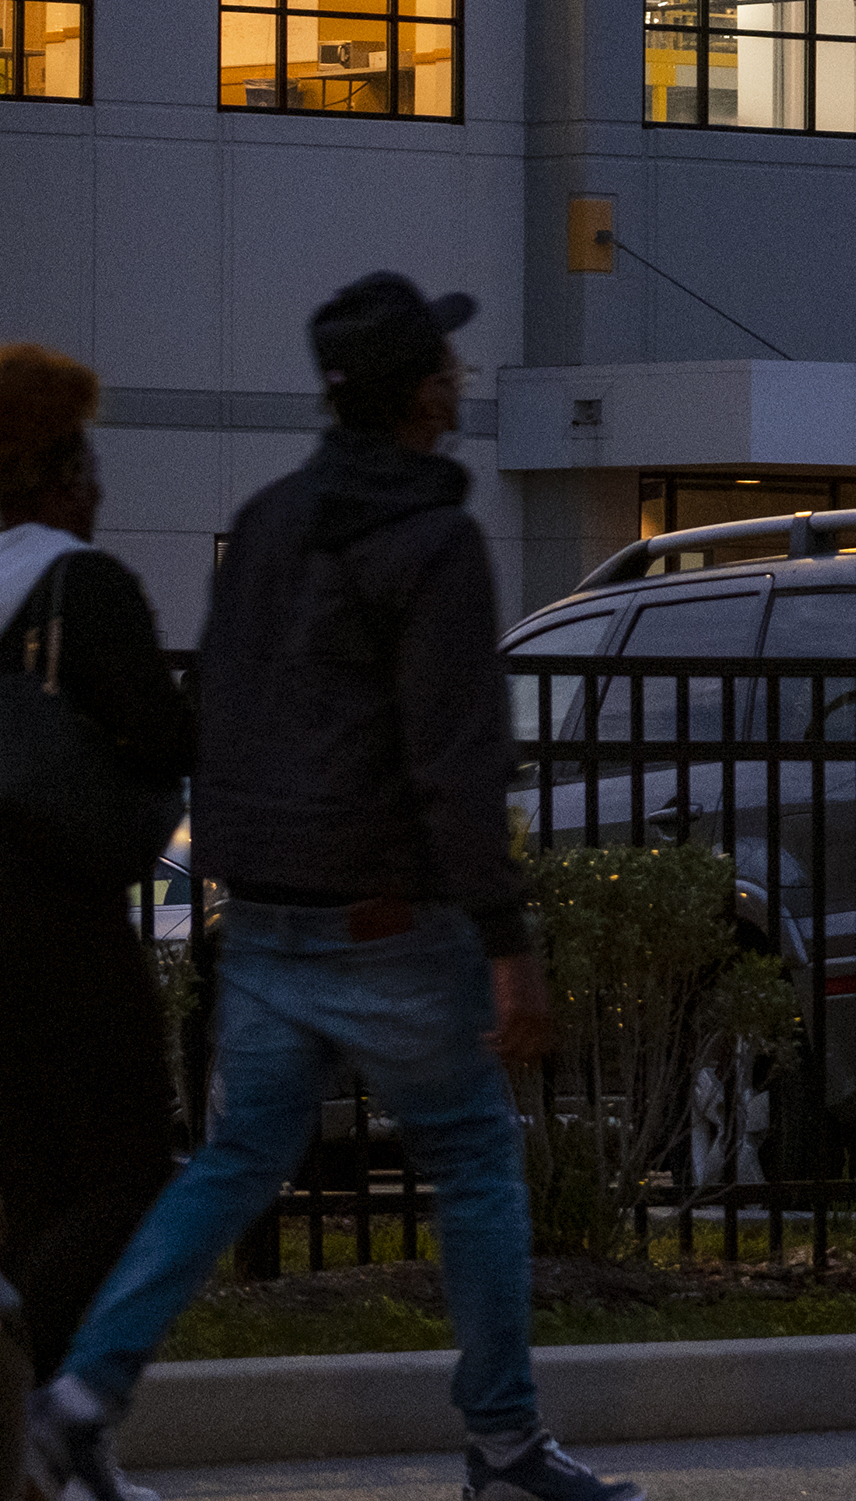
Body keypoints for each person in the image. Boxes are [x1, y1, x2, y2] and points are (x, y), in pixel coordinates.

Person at [26, 276, 643, 1501]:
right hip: (390, 920)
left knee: (233, 1162)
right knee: (471, 1158)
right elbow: (456, 760)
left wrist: (238, 876)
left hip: (264, 914)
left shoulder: (267, 521)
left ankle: (84, 1393)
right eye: (448, 370)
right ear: (424, 395)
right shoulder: (437, 541)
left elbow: (224, 714)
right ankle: (507, 1445)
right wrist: (507, 941)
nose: (460, 385)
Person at [0, 343, 192, 1488]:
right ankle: (49, 1373)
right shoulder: (83, 587)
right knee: (128, 1172)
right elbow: (167, 739)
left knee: (33, 1174)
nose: (103, 487)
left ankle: (63, 1451)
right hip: (57, 910)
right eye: (92, 463)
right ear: (62, 471)